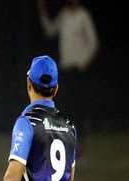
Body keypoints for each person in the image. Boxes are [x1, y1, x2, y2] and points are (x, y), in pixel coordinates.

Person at [37, 0, 98, 131]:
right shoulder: (64, 14)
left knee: (79, 106)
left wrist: (83, 63)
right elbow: (50, 31)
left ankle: (81, 139)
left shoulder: (83, 15)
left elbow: (93, 43)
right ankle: (67, 137)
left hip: (78, 69)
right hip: (65, 68)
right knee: (66, 105)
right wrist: (43, 13)